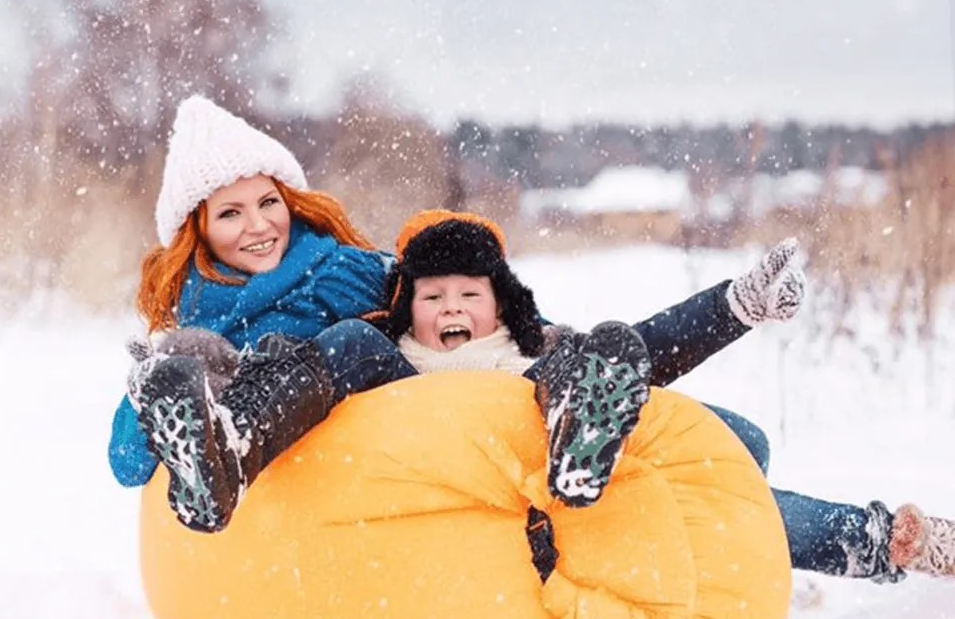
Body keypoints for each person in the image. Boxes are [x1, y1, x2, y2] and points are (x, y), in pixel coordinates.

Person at [110, 94, 955, 582]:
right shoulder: (297, 335)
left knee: (719, 449)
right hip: (363, 464)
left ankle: (887, 537)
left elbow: (635, 344)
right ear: (197, 230)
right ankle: (227, 444)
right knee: (340, 354)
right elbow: (126, 456)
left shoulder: (367, 279)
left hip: (517, 447)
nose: (258, 225)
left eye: (268, 203)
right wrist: (165, 383)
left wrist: (733, 305)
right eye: (231, 212)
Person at [130, 208, 654, 532]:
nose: (452, 308)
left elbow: (655, 351)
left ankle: (577, 450)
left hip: (514, 451)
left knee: (597, 351)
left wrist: (736, 305)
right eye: (433, 296)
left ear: (501, 302)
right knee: (347, 341)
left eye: (471, 293)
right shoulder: (382, 348)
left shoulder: (536, 343)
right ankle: (230, 457)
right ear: (407, 303)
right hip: (417, 439)